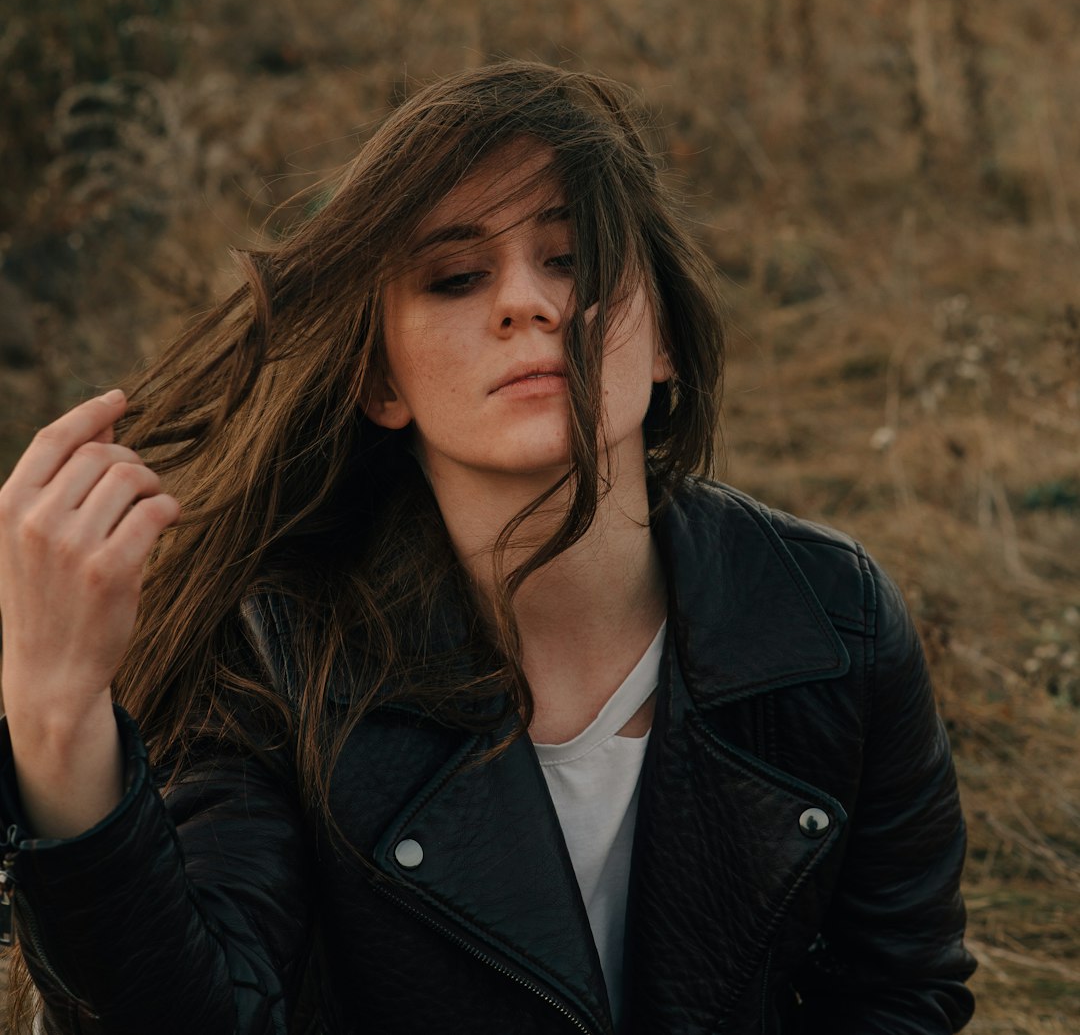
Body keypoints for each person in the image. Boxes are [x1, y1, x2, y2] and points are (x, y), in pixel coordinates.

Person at [0, 61, 976, 1035]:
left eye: (574, 260)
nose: (525, 302)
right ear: (384, 383)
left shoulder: (828, 621)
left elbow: (900, 991)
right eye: (456, 276)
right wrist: (55, 717)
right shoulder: (277, 655)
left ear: (666, 338)